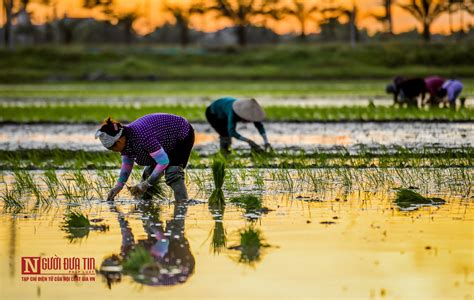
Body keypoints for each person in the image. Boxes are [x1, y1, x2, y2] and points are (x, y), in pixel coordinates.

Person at [95, 113, 194, 202]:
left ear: (119, 141)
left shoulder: (142, 137)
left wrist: (147, 184)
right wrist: (118, 186)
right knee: (148, 175)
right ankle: (146, 206)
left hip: (181, 134)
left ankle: (182, 204)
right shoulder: (126, 140)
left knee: (173, 173)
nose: (114, 151)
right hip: (164, 141)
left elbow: (163, 162)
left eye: (112, 149)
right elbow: (127, 165)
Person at [205, 97, 271, 154]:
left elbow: (259, 126)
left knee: (227, 137)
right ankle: (224, 152)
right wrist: (249, 141)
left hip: (224, 110)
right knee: (225, 134)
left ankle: (226, 151)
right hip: (213, 113)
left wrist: (266, 142)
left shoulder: (251, 113)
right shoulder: (233, 113)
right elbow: (232, 132)